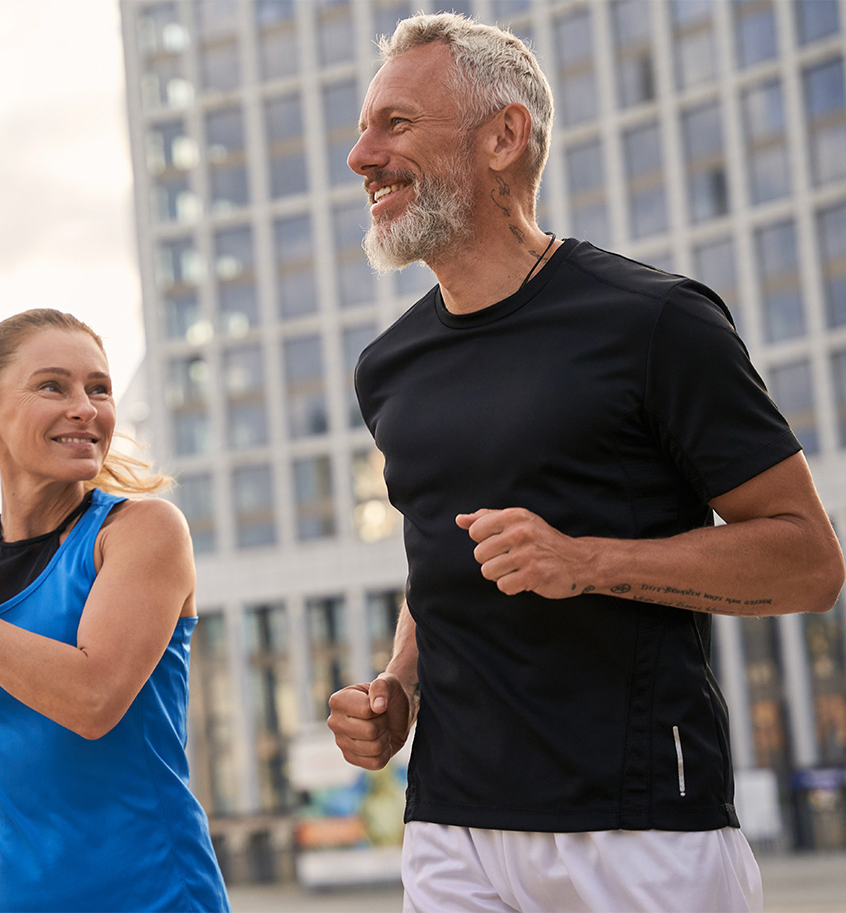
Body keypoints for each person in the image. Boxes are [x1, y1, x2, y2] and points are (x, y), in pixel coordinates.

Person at [326, 13, 845, 913]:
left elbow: (807, 561)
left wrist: (588, 560)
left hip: (642, 827)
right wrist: (398, 687)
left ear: (503, 136)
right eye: (366, 128)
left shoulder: (655, 323)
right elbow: (440, 561)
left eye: (395, 124)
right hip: (451, 826)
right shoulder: (387, 367)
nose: (360, 156)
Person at [0, 309, 230, 913]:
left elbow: (92, 701)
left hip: (149, 896)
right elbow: (16, 757)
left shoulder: (140, 531)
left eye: (99, 388)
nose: (86, 407)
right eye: (52, 386)